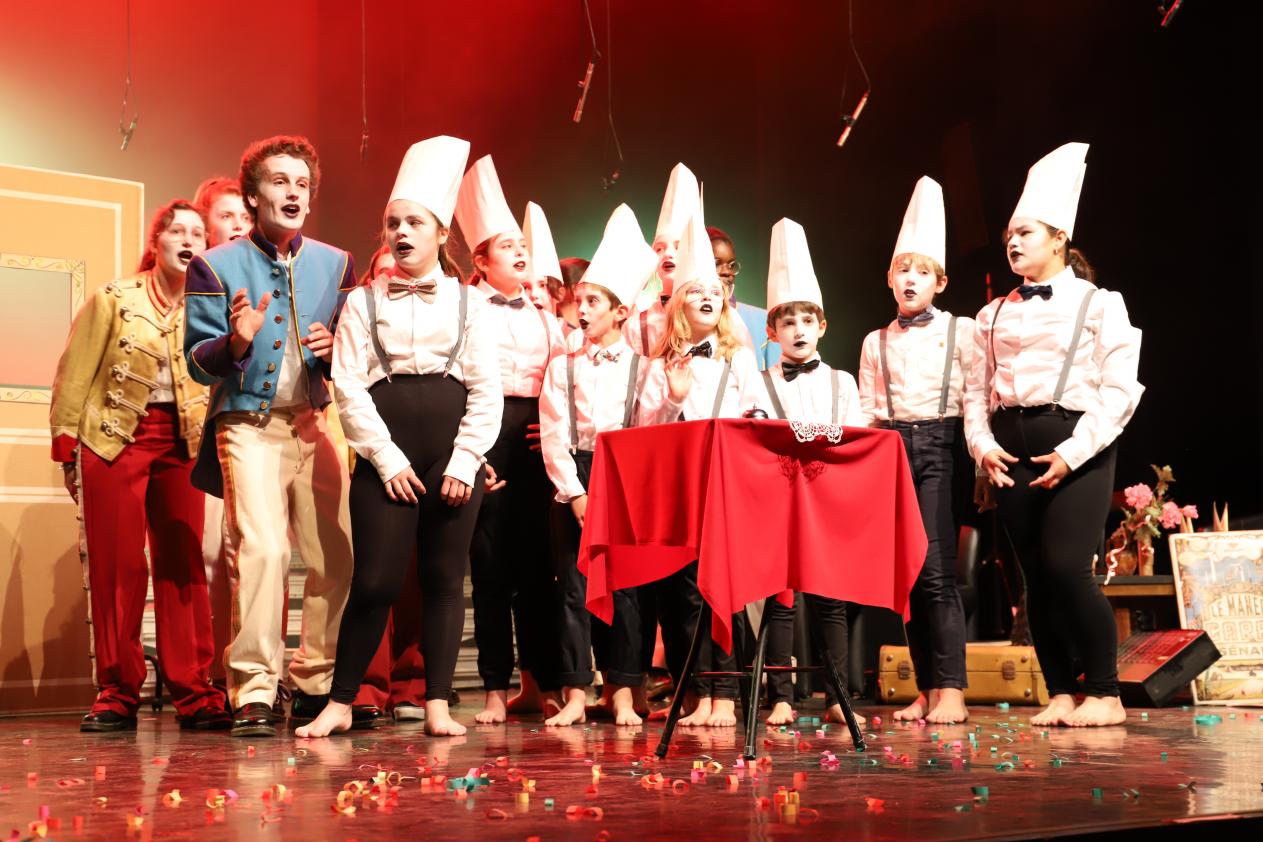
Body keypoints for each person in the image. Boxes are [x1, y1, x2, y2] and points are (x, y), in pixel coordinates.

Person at [298, 135, 499, 738]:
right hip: (387, 447)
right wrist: (384, 459)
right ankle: (339, 701)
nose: (401, 232)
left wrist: (465, 461)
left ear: (441, 234)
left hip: (450, 449)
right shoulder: (361, 303)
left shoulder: (471, 303)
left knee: (444, 578)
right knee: (378, 579)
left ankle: (438, 700)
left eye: (415, 222)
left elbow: (486, 391)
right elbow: (349, 386)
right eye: (393, 222)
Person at [963, 143, 1143, 727]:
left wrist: (1070, 454)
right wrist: (984, 447)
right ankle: (1062, 691)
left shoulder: (1098, 303)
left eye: (1025, 233)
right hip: (1009, 447)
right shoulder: (990, 315)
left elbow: (1120, 392)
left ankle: (1106, 693)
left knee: (1069, 568)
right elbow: (975, 395)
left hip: (1076, 443)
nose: (1012, 243)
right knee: (1034, 581)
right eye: (1008, 236)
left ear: (1059, 237)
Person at [184, 135, 356, 738]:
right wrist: (236, 341)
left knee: (336, 551)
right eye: (280, 182)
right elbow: (197, 362)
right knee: (264, 549)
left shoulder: (336, 264)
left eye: (302, 184)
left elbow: (352, 352)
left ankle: (315, 681)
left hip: (312, 420)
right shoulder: (215, 264)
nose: (293, 193)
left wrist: (337, 353)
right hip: (247, 426)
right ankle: (254, 688)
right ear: (253, 195)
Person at [51, 199, 228, 732]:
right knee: (119, 566)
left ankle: (194, 690)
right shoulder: (114, 298)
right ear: (158, 242)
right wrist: (65, 440)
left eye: (198, 231)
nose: (189, 238)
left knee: (182, 563)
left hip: (181, 443)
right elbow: (75, 369)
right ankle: (117, 690)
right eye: (178, 229)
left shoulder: (209, 306)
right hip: (113, 440)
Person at [637, 209, 764, 727]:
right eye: (694, 290)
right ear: (678, 305)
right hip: (681, 484)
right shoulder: (661, 365)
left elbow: (759, 413)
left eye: (715, 289)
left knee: (724, 590)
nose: (708, 296)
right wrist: (674, 398)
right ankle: (700, 694)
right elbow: (647, 427)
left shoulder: (739, 360)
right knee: (687, 592)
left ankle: (727, 698)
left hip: (728, 480)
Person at [857, 177, 973, 724]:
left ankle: (952, 687)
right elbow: (869, 412)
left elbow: (976, 395)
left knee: (935, 569)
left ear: (941, 282)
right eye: (902, 268)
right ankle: (926, 685)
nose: (910, 278)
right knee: (906, 572)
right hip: (892, 449)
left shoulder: (963, 331)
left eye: (922, 270)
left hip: (942, 445)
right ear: (888, 277)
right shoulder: (875, 340)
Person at [455, 155, 566, 723]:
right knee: (490, 565)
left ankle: (538, 684)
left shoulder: (548, 313)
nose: (520, 251)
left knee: (538, 569)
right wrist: (474, 450)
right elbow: (458, 380)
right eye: (506, 245)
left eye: (521, 243)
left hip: (534, 442)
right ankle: (494, 687)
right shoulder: (465, 306)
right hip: (486, 435)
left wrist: (550, 438)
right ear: (480, 259)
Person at [538, 204, 656, 726]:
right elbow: (553, 433)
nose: (581, 309)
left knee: (627, 587)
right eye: (578, 300)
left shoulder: (643, 368)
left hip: (626, 474)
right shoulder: (563, 367)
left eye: (593, 301)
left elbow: (652, 428)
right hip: (577, 476)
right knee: (573, 586)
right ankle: (575, 693)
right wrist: (574, 491)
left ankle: (624, 690)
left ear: (621, 312)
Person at [754, 218, 866, 727]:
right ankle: (780, 694)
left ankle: (837, 696)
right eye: (787, 321)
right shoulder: (757, 383)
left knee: (831, 599)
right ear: (773, 331)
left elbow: (856, 438)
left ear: (822, 325)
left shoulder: (843, 382)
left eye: (807, 320)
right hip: (777, 500)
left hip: (828, 501)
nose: (798, 330)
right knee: (780, 599)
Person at [624, 163, 699, 357]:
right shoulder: (637, 324)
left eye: (678, 245)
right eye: (659, 248)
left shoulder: (721, 318)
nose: (668, 253)